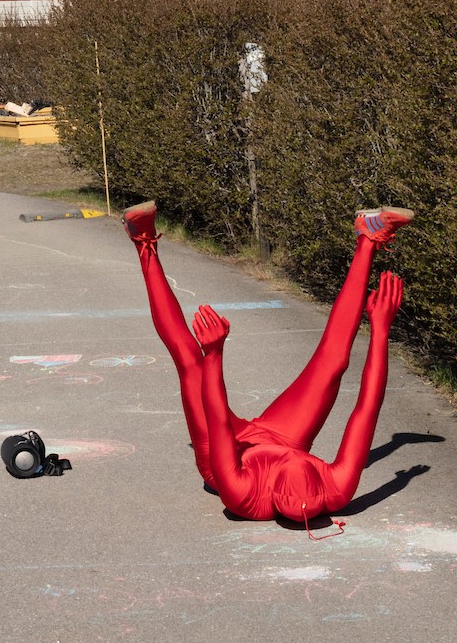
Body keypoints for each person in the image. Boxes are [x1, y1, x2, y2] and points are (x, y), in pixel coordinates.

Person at [124, 201, 411, 524]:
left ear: (274, 489)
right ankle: (368, 236)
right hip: (285, 436)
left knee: (189, 361)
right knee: (333, 363)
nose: (300, 464)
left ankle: (143, 242)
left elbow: (218, 422)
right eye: (310, 468)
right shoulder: (336, 489)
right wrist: (380, 330)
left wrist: (214, 354)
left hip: (230, 457)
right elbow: (367, 408)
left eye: (291, 469)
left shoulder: (242, 496)